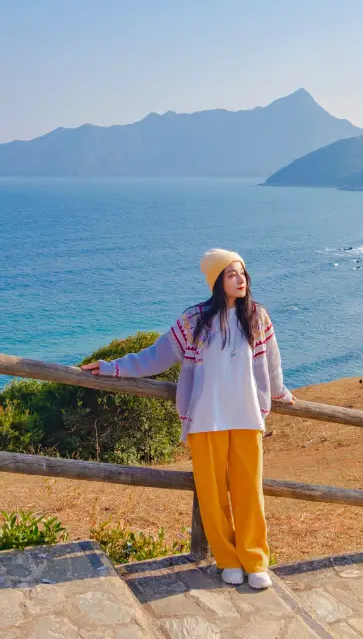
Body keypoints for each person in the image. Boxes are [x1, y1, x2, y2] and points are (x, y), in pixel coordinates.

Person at [82, 248, 295, 589]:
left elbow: (272, 363)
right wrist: (111, 367)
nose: (240, 279)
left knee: (248, 492)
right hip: (205, 419)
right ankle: (227, 560)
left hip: (245, 418)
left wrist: (280, 393)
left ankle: (255, 560)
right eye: (231, 274)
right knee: (211, 495)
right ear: (216, 281)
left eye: (242, 273)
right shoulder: (194, 320)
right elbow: (157, 356)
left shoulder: (257, 317)